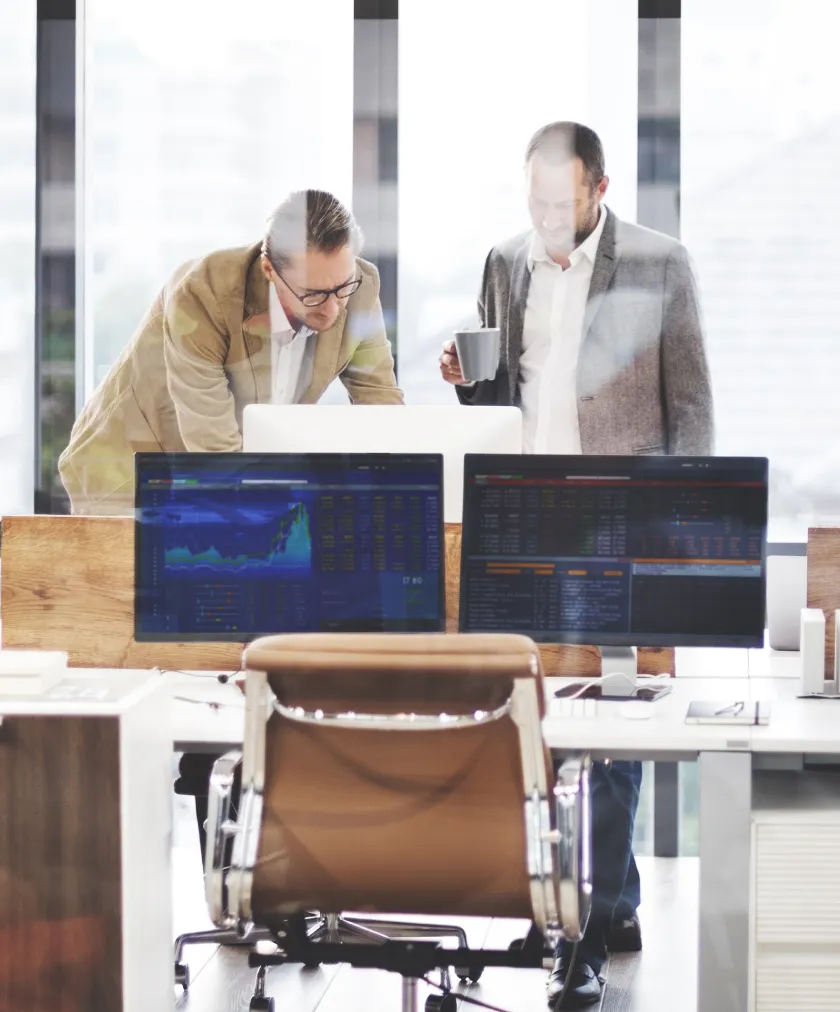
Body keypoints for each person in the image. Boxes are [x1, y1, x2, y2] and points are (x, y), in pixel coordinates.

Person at [440, 121, 713, 1009]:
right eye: (535, 203)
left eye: (561, 204)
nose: (547, 220)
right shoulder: (504, 260)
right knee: (543, 722)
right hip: (525, 519)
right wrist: (462, 379)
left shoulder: (661, 264)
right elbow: (498, 395)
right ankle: (609, 900)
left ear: (599, 188)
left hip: (621, 523)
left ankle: (580, 931)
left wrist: (683, 532)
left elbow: (693, 407)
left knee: (615, 728)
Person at [58, 188, 403, 515]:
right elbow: (215, 453)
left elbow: (381, 401)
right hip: (128, 469)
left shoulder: (360, 288)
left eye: (342, 287)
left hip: (230, 475)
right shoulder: (202, 292)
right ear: (270, 270)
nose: (332, 309)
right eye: (313, 294)